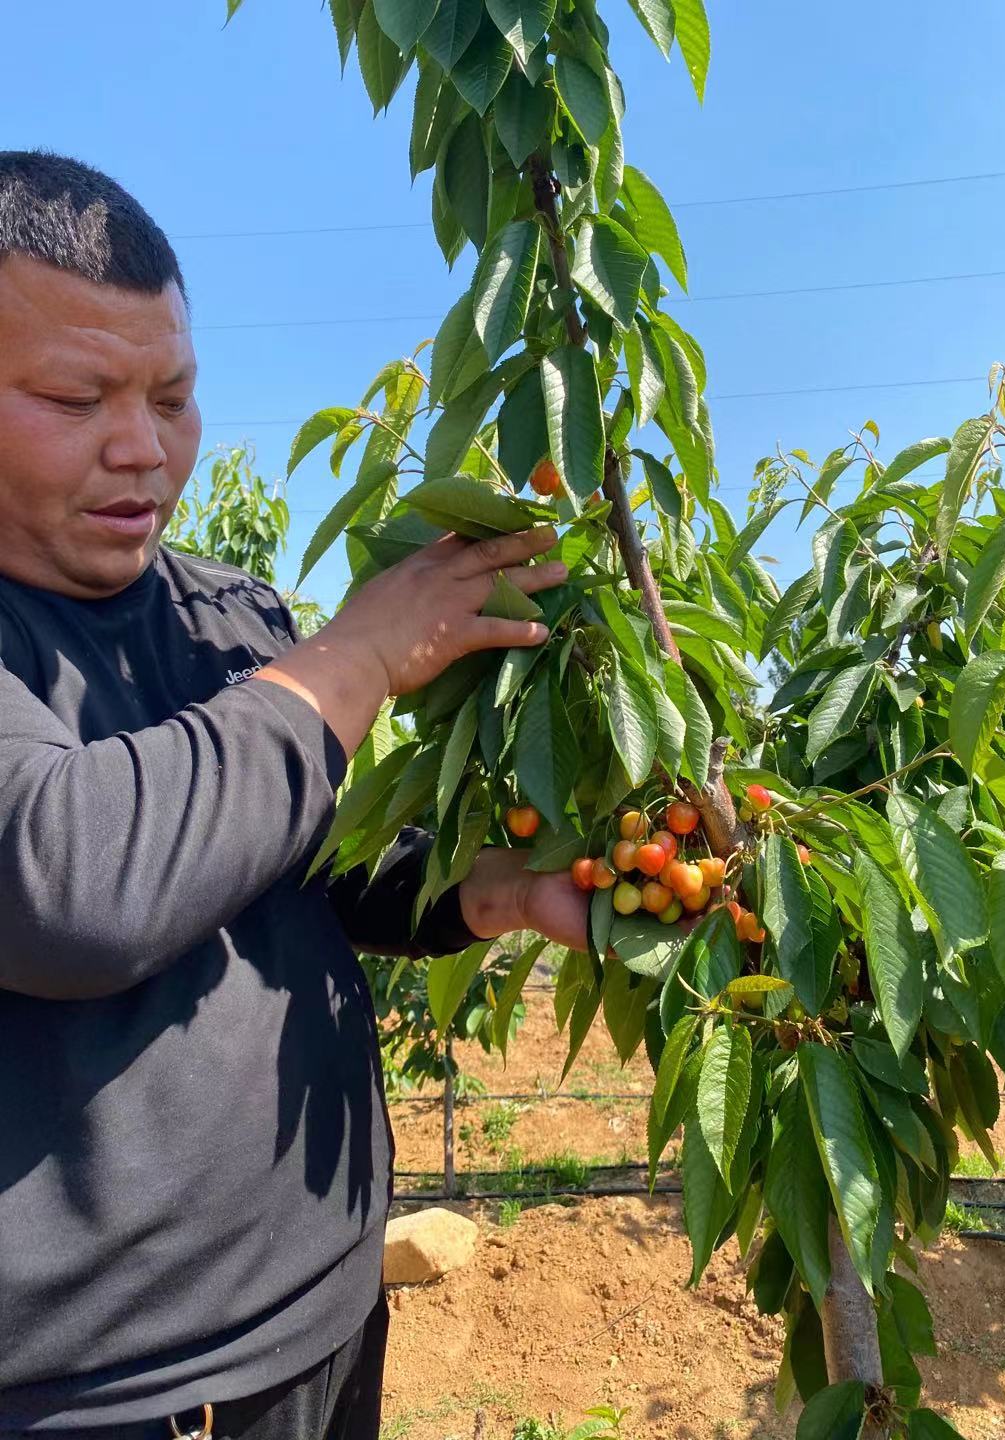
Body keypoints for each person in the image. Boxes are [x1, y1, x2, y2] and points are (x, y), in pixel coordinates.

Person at [0, 151, 592, 1440]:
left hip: (323, 1316)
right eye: (74, 396)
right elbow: (66, 888)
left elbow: (301, 855)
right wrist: (355, 656)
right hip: (113, 1394)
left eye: (173, 395)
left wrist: (487, 890)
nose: (142, 447)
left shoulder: (229, 619)